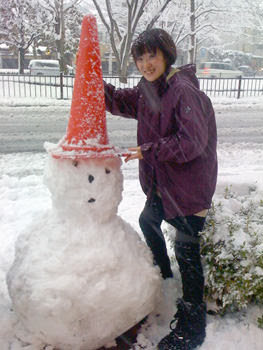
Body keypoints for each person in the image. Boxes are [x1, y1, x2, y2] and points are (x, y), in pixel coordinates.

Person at [103, 28, 217, 350]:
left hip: (190, 190)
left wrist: (148, 150)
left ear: (166, 53)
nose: (145, 63)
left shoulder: (182, 90)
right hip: (165, 187)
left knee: (186, 250)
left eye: (151, 55)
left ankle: (193, 326)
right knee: (147, 220)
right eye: (140, 57)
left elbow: (192, 142)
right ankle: (166, 279)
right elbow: (123, 100)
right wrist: (93, 86)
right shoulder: (150, 88)